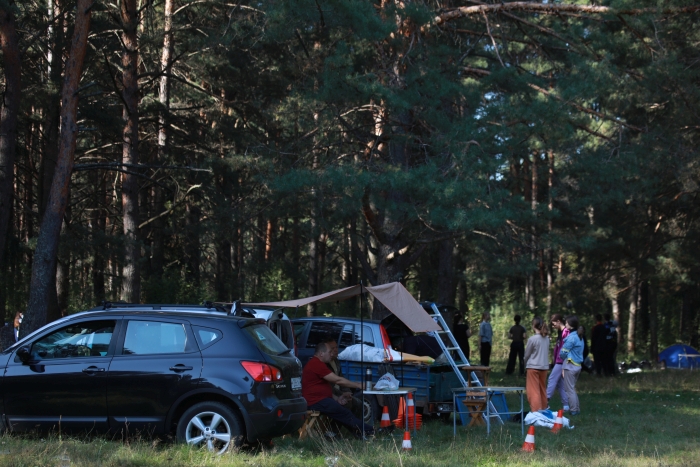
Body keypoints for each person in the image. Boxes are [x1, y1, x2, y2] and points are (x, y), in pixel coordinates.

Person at [301, 341, 374, 438]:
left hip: (320, 399)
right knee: (344, 413)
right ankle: (370, 431)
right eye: (329, 352)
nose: (331, 354)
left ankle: (360, 433)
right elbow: (337, 380)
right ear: (321, 353)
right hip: (315, 401)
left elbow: (323, 387)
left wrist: (337, 398)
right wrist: (358, 385)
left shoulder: (319, 364)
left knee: (343, 412)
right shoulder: (316, 364)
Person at [325, 339, 363, 420]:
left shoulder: (336, 361)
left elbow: (341, 377)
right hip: (331, 393)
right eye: (332, 348)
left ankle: (357, 427)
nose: (335, 350)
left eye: (336, 347)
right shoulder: (324, 363)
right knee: (346, 404)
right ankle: (335, 430)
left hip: (339, 391)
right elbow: (334, 381)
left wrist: (347, 391)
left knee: (358, 403)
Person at [559, 316, 585, 415]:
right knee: (572, 388)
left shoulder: (571, 338)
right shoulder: (579, 337)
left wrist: (561, 357)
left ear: (571, 325)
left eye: (566, 323)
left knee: (569, 389)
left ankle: (574, 410)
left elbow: (563, 352)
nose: (565, 325)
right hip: (577, 366)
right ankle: (576, 408)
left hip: (570, 366)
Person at [524, 316, 550, 412]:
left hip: (533, 367)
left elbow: (527, 355)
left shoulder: (532, 339)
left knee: (533, 391)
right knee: (542, 389)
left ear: (533, 326)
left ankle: (536, 411)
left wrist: (524, 363)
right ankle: (544, 408)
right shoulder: (547, 339)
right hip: (544, 367)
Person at [546, 314, 570, 411]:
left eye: (553, 324)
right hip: (558, 361)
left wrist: (563, 361)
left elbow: (566, 348)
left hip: (562, 362)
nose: (553, 326)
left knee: (551, 380)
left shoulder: (566, 332)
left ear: (559, 321)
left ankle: (545, 402)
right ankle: (566, 405)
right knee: (560, 384)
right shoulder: (561, 332)